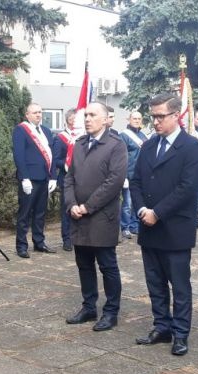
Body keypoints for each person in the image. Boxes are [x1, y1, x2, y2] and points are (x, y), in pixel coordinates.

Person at [130, 94, 198, 356]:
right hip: (148, 225)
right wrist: (141, 209)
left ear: (176, 116)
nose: (156, 122)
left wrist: (158, 212)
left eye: (161, 116)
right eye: (153, 117)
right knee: (155, 282)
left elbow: (188, 188)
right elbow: (136, 180)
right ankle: (161, 326)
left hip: (175, 227)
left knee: (179, 285)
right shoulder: (149, 146)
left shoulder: (192, 147)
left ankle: (180, 333)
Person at [64, 103, 128, 331]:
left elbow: (114, 182)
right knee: (84, 264)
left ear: (105, 120)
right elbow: (69, 177)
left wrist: (87, 207)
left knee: (107, 265)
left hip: (101, 217)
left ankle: (111, 312)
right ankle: (89, 307)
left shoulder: (115, 145)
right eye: (86, 115)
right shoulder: (80, 144)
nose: (87, 119)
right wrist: (71, 204)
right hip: (78, 216)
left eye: (92, 115)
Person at [12, 103, 58, 258]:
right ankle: (21, 246)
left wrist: (53, 177)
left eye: (40, 112)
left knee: (40, 213)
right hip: (29, 180)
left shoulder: (45, 131)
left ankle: (39, 242)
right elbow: (19, 156)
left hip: (44, 178)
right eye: (35, 112)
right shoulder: (21, 130)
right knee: (24, 214)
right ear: (27, 114)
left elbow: (51, 155)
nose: (39, 115)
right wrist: (24, 177)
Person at [55, 109, 80, 252]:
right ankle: (67, 239)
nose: (75, 120)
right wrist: (65, 164)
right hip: (66, 178)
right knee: (66, 210)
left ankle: (77, 237)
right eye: (73, 118)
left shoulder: (81, 136)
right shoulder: (60, 138)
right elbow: (56, 159)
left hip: (82, 179)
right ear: (68, 119)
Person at [120, 111, 146, 240]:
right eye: (134, 118)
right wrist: (123, 176)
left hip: (141, 175)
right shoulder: (124, 136)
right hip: (129, 174)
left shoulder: (142, 135)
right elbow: (122, 157)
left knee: (138, 202)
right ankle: (125, 227)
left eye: (139, 118)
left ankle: (135, 226)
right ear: (128, 119)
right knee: (127, 204)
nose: (136, 120)